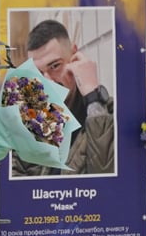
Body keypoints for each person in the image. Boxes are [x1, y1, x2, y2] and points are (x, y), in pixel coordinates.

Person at [12, 18, 115, 176]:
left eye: (55, 66)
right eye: (38, 73)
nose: (48, 82)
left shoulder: (109, 115)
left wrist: (93, 97)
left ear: (74, 55)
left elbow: (107, 181)